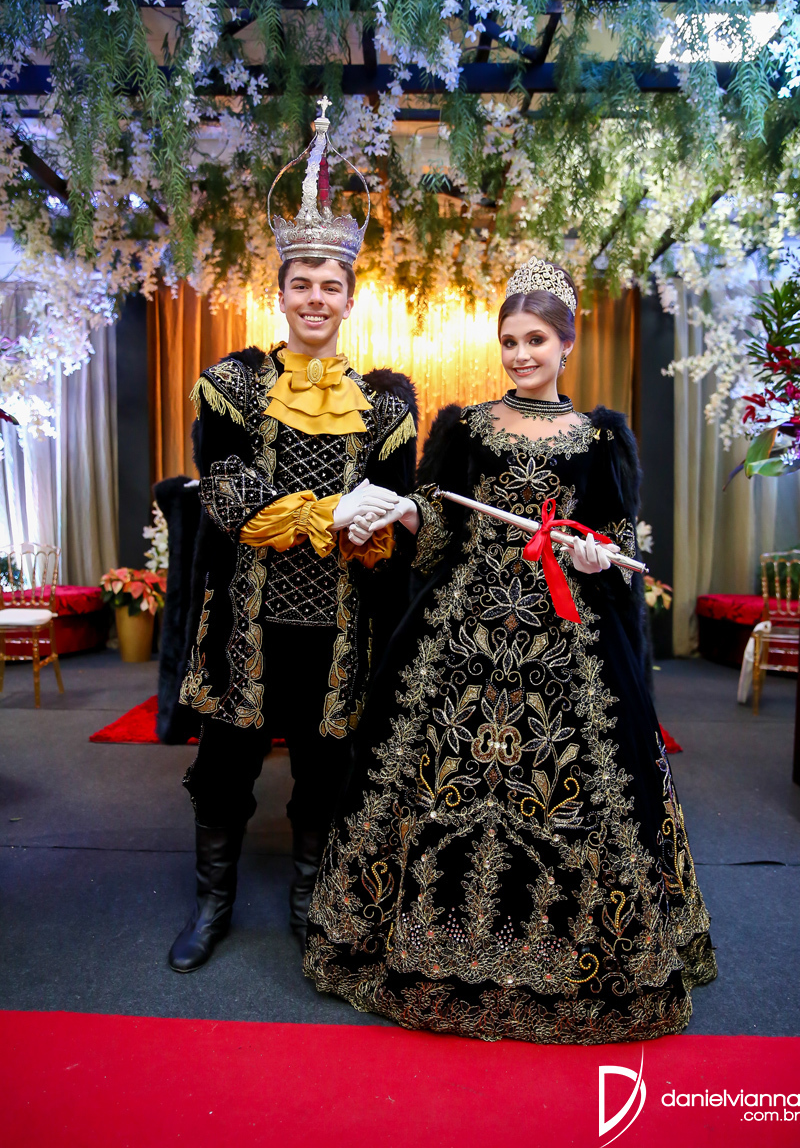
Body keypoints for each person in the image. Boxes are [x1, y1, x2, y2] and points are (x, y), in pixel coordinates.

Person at [304, 258, 716, 1043]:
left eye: (536, 340)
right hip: (462, 634)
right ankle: (426, 947)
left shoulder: (601, 437)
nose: (521, 354)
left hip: (568, 642)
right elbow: (439, 526)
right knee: (425, 778)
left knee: (589, 785)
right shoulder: (464, 427)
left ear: (567, 344)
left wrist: (594, 555)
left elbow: (617, 544)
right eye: (510, 341)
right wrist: (406, 512)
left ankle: (571, 961)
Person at [169, 100, 417, 972]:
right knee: (224, 769)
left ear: (351, 297)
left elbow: (397, 512)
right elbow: (228, 491)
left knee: (325, 772)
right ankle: (212, 905)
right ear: (279, 294)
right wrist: (328, 514)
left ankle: (314, 903)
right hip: (246, 619)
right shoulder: (232, 383)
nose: (316, 298)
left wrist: (380, 520)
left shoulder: (386, 404)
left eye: (330, 285)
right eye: (301, 283)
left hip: (339, 626)